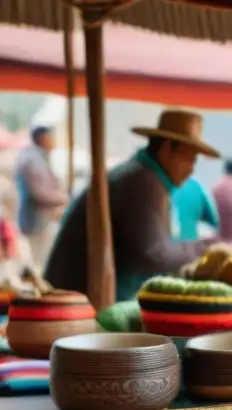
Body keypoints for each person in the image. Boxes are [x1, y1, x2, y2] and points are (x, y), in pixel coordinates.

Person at [45, 110, 220, 302]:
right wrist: (204, 248)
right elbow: (155, 255)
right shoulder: (142, 182)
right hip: (76, 302)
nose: (192, 169)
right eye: (190, 159)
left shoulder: (144, 176)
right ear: (168, 148)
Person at [15, 124, 67, 271]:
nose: (54, 141)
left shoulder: (36, 157)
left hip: (37, 219)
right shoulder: (34, 159)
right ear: (42, 138)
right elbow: (42, 194)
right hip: (37, 220)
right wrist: (65, 199)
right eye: (51, 137)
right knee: (39, 262)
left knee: (38, 260)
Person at [172, 176, 219, 241]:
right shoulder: (195, 186)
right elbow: (212, 219)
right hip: (189, 244)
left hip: (164, 245)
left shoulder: (161, 184)